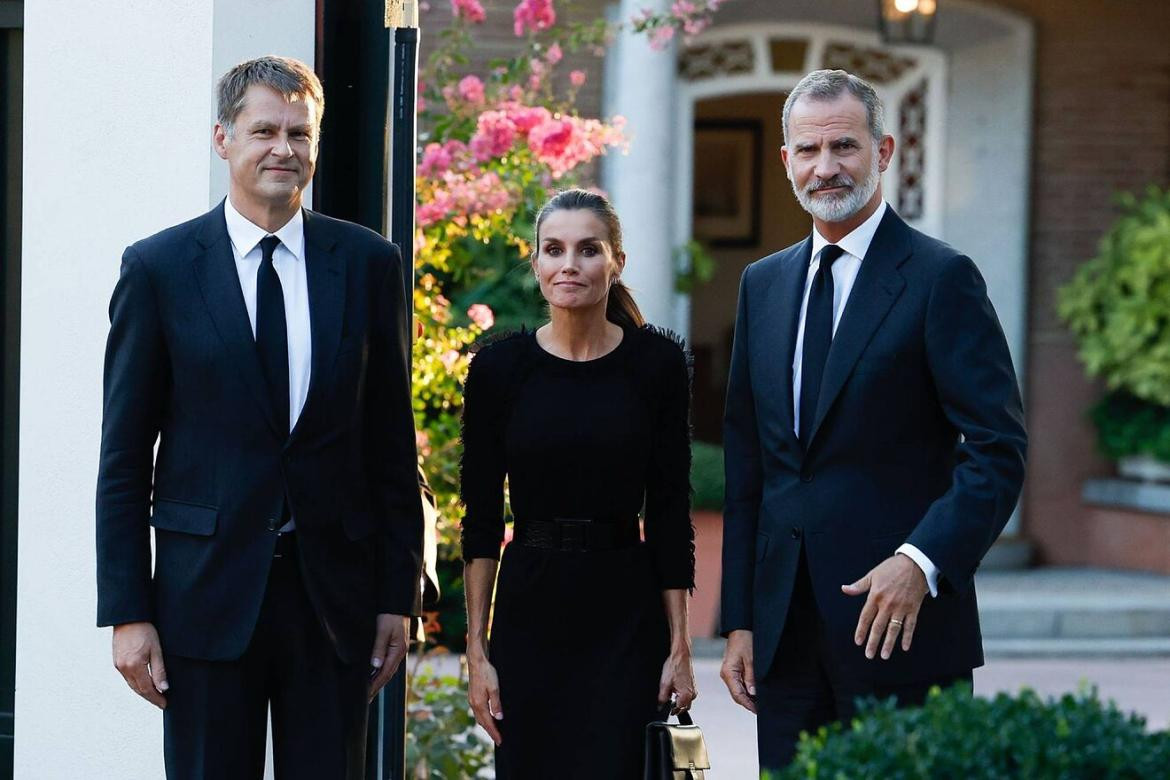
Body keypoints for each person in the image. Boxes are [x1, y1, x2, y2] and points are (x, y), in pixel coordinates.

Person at [95, 56, 423, 780]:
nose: (285, 148)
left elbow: (391, 447)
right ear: (223, 138)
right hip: (203, 603)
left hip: (333, 605)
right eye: (265, 130)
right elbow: (123, 455)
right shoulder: (160, 268)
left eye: (300, 133)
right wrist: (128, 610)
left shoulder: (369, 264)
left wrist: (397, 598)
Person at [718, 69, 1027, 772]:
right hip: (786, 638)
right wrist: (739, 619)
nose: (826, 168)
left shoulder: (941, 278)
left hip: (901, 629)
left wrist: (922, 562)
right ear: (786, 161)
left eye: (845, 147)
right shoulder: (761, 284)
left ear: (884, 151)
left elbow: (997, 447)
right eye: (808, 150)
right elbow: (750, 464)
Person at [460, 189, 698, 779]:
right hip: (529, 611)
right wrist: (476, 651)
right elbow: (482, 522)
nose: (571, 264)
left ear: (616, 261)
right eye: (554, 249)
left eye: (588, 250)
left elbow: (670, 514)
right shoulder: (497, 370)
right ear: (536, 264)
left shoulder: (656, 365)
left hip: (624, 610)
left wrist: (680, 647)